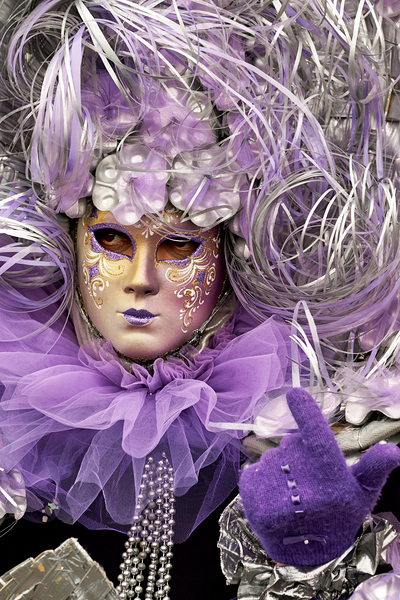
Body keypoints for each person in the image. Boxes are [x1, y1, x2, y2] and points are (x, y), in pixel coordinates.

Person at [1, 0, 400, 599]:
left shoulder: (300, 433)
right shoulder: (16, 425)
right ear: (72, 241)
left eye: (178, 247)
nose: (141, 279)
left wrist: (317, 567)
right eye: (112, 240)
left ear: (229, 255)